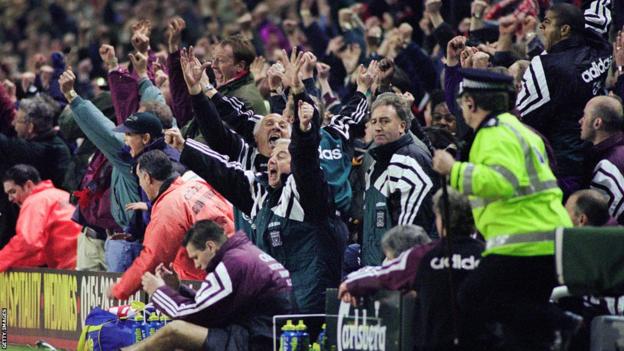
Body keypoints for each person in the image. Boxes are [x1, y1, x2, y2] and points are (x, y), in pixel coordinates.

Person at [432, 68, 578, 349]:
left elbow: (503, 182)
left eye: (462, 103)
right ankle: (553, 331)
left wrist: (454, 170)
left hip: (524, 241)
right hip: (547, 237)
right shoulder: (519, 130)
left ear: (471, 103)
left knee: (473, 297)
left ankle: (561, 323)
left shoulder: (494, 134)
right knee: (520, 330)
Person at [173, 77, 343, 314]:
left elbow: (307, 165)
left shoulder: (308, 193)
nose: (272, 160)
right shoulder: (260, 193)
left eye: (281, 156)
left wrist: (303, 126)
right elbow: (222, 172)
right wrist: (185, 146)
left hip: (309, 306)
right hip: (276, 303)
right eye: (271, 158)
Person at [59, 66, 183, 272]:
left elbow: (103, 130)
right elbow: (159, 105)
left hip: (140, 245)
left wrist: (72, 96)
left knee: (127, 301)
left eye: (129, 135)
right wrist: (143, 75)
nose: (125, 139)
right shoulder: (172, 136)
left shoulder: (130, 158)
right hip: (156, 242)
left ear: (146, 137)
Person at [122, 220, 292, 351]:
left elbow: (193, 314)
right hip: (268, 335)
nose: (196, 265)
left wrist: (158, 291)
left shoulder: (234, 263)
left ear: (210, 246)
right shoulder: (245, 254)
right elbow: (211, 307)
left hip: (258, 342)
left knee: (174, 331)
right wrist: (177, 288)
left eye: (195, 257)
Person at [108, 150, 234, 300]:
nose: (140, 185)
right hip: (235, 265)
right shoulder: (197, 185)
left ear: (147, 178)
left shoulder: (169, 206)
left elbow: (152, 257)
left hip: (210, 281)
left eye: (139, 179)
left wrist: (119, 290)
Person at [516, 2, 612, 197]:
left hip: (563, 165)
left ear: (565, 30)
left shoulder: (545, 67)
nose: (541, 28)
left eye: (547, 22)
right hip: (596, 153)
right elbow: (599, 20)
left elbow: (520, 117)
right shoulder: (599, 48)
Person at [362, 92, 437, 266]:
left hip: (400, 270)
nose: (378, 127)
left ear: (402, 126)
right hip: (376, 268)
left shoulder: (408, 159)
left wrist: (393, 266)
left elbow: (411, 228)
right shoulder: (374, 164)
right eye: (374, 122)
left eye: (385, 121)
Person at [0, 164, 81, 271]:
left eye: (13, 191)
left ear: (28, 185)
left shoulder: (36, 201)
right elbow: (41, 252)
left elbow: (27, 242)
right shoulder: (61, 195)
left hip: (70, 267)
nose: (10, 199)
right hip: (84, 260)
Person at [0, 95, 71, 188]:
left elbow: (5, 144)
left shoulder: (44, 150)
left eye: (17, 120)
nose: (13, 124)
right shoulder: (54, 142)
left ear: (30, 127)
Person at [578, 96, 624, 224]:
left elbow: (600, 222)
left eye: (585, 116)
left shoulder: (607, 166)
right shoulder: (617, 150)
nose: (580, 121)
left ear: (597, 123)